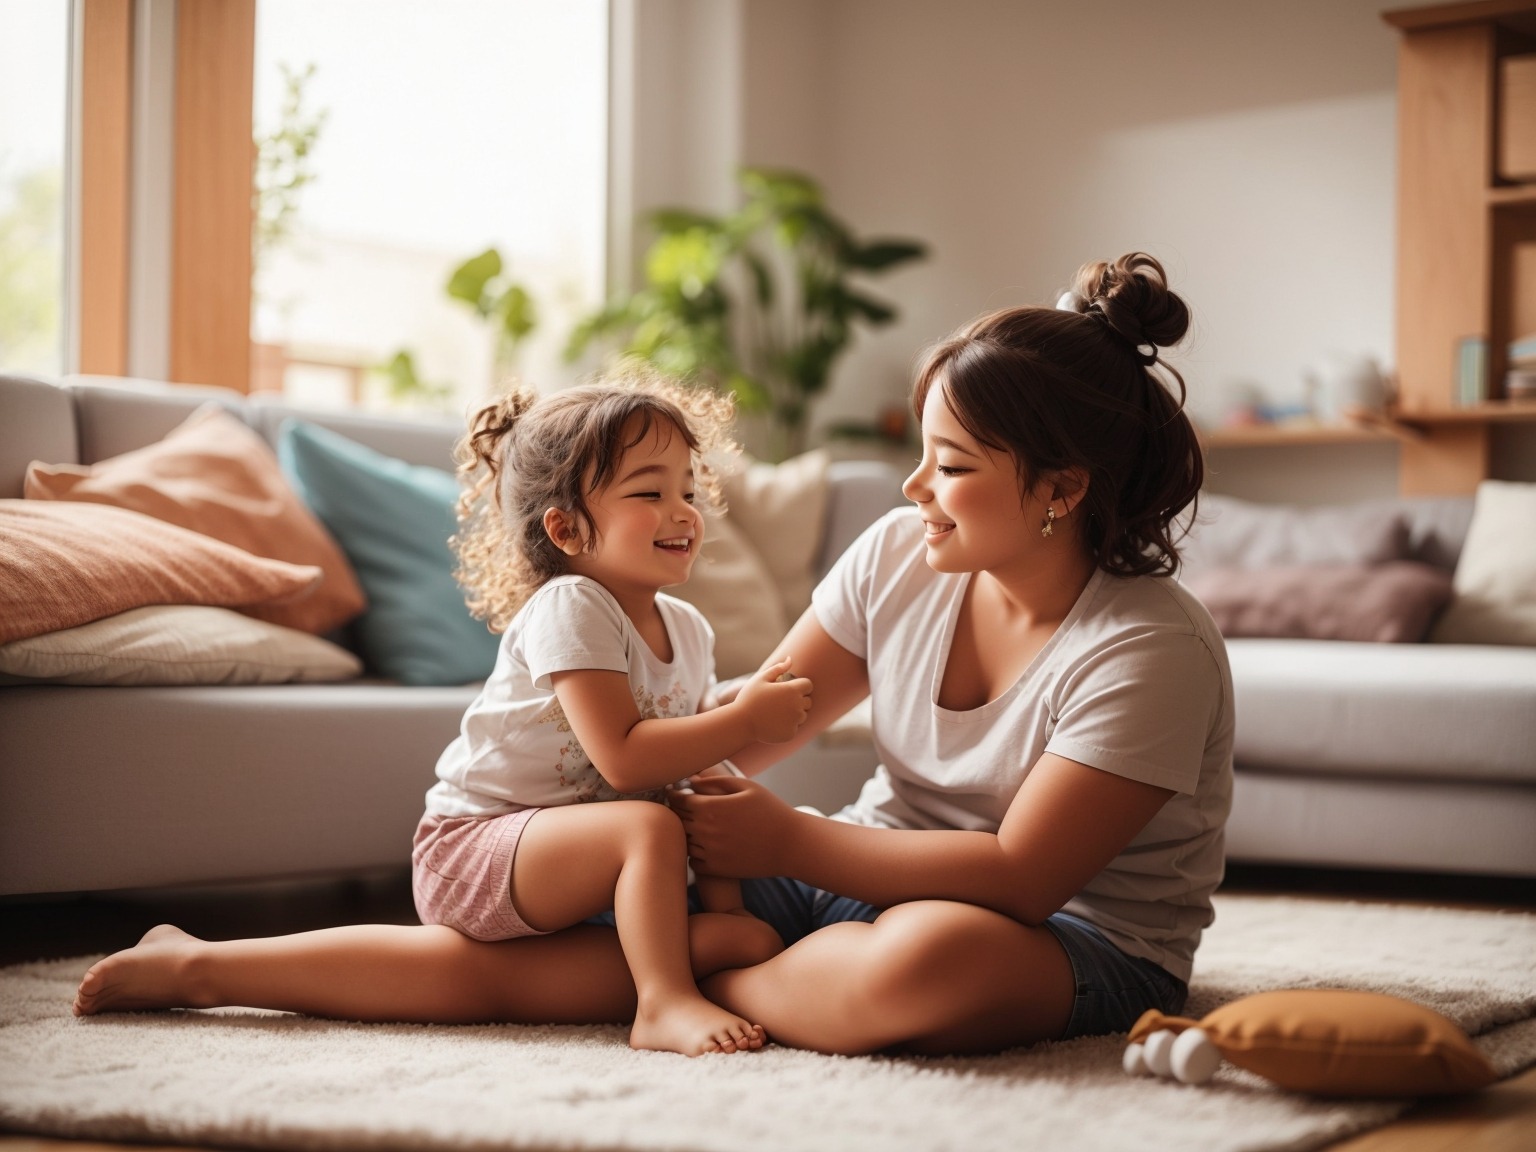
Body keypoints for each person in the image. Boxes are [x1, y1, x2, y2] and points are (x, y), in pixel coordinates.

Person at [73, 252, 1232, 1058]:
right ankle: (211, 968)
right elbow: (772, 714)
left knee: (925, 966)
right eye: (920, 457)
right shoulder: (898, 555)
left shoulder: (1147, 649)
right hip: (861, 870)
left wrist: (778, 843)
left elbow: (1026, 878)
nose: (913, 488)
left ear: (1062, 489)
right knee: (595, 911)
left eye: (952, 464)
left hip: (1070, 936)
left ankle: (691, 977)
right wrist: (666, 780)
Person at [79, 373, 813, 1058]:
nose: (682, 510)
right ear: (565, 531)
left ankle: (189, 965)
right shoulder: (573, 605)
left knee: (731, 939)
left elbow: (693, 772)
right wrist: (746, 719)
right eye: (649, 493)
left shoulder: (687, 628)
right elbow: (626, 756)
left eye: (688, 487)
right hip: (475, 853)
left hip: (575, 871)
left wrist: (728, 905)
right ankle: (663, 1001)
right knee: (646, 825)